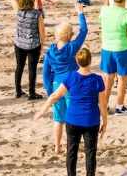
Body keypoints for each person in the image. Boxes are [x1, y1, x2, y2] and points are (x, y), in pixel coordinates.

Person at [37, 47, 108, 176]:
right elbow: (103, 104)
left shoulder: (71, 77)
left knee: (71, 152)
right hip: (90, 121)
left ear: (77, 61)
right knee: (90, 152)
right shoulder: (98, 79)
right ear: (90, 61)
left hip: (73, 120)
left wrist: (43, 110)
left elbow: (55, 96)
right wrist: (105, 121)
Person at [42, 3, 89, 153]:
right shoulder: (72, 47)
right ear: (69, 36)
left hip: (57, 86)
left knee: (58, 118)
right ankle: (70, 145)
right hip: (71, 85)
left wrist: (50, 91)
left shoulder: (51, 51)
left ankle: (57, 146)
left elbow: (46, 74)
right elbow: (84, 31)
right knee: (72, 117)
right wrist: (80, 14)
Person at [99, 0, 127, 114]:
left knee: (108, 79)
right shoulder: (126, 14)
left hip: (106, 48)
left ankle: (104, 105)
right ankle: (119, 106)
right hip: (122, 48)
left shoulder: (104, 10)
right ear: (125, 0)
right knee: (122, 79)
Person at [13, 0, 46, 99]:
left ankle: (18, 90)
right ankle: (32, 93)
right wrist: (42, 46)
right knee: (32, 69)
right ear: (32, 1)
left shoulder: (18, 11)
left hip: (19, 43)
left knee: (19, 67)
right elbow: (42, 33)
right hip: (33, 45)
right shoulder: (37, 14)